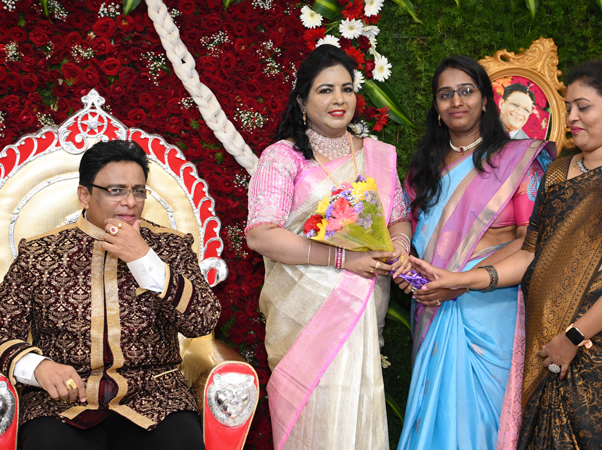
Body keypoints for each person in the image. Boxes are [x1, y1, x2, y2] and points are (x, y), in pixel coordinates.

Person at [406, 60, 602, 450]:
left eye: (582, 107)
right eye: (568, 107)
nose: (571, 117)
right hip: (544, 341)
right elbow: (530, 254)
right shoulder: (556, 173)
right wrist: (461, 281)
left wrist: (573, 336)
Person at [0, 140, 220, 450]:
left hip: (156, 402)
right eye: (116, 191)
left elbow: (203, 322)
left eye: (139, 191)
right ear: (84, 195)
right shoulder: (39, 253)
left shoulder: (170, 247)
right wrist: (37, 367)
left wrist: (145, 259)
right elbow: (2, 331)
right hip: (63, 404)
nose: (130, 202)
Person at [245, 44, 411, 450]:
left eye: (347, 88)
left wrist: (401, 244)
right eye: (325, 90)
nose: (339, 99)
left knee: (356, 414)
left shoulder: (378, 155)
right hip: (303, 319)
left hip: (359, 311)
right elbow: (261, 234)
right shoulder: (282, 158)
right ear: (302, 100)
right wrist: (343, 258)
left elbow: (398, 217)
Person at [397, 56, 555, 450]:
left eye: (466, 91)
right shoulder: (423, 171)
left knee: (482, 424)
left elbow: (534, 240)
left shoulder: (521, 162)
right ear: (436, 106)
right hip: (434, 308)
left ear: (486, 100)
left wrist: (463, 280)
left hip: (492, 308)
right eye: (445, 94)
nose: (456, 101)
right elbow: (412, 242)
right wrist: (406, 271)